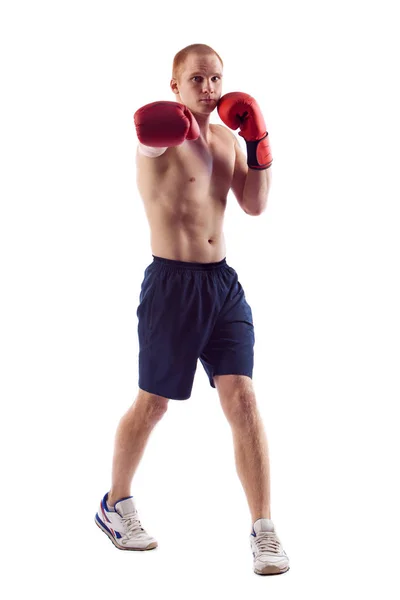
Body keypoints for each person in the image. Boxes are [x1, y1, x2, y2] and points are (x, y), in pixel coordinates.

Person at [95, 43, 289, 576]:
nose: (209, 88)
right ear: (175, 84)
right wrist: (167, 119)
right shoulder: (160, 140)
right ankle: (116, 505)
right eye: (198, 79)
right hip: (171, 285)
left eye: (216, 79)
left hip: (223, 285)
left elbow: (254, 204)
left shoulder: (228, 138)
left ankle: (264, 531)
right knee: (153, 404)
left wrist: (259, 141)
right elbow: (144, 126)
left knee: (243, 399)